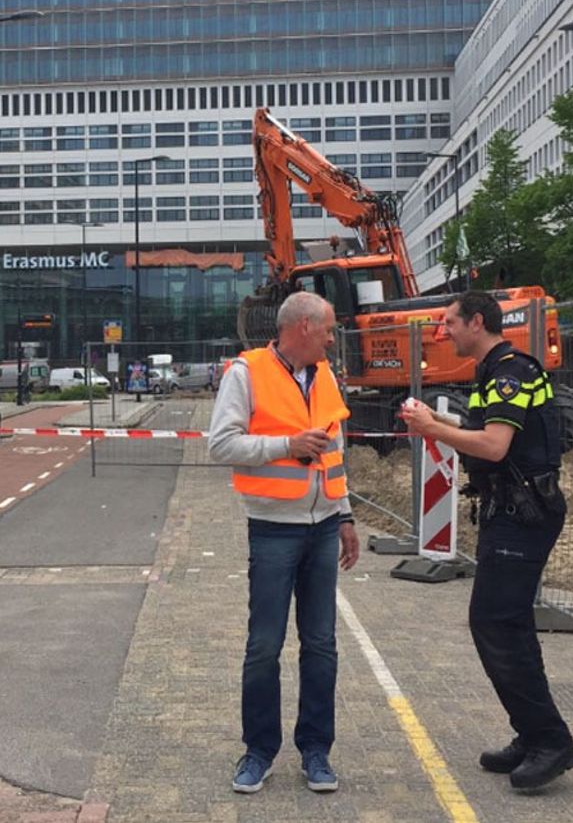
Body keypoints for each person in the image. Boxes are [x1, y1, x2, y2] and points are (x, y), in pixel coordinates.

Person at [401, 290, 573, 791]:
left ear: (476, 322)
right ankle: (533, 733)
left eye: (450, 323)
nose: (444, 332)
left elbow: (494, 446)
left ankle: (550, 740)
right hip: (513, 511)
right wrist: (434, 424)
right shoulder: (494, 372)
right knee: (508, 625)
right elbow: (484, 428)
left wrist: (433, 428)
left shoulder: (509, 372)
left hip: (523, 514)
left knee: (495, 623)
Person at [209, 291, 360, 795]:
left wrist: (345, 515)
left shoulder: (325, 376)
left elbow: (335, 451)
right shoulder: (246, 373)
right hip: (273, 527)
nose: (333, 339)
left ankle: (316, 751)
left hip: (321, 529)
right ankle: (259, 751)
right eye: (328, 330)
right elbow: (222, 444)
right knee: (264, 646)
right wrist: (285, 446)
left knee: (321, 645)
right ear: (301, 328)